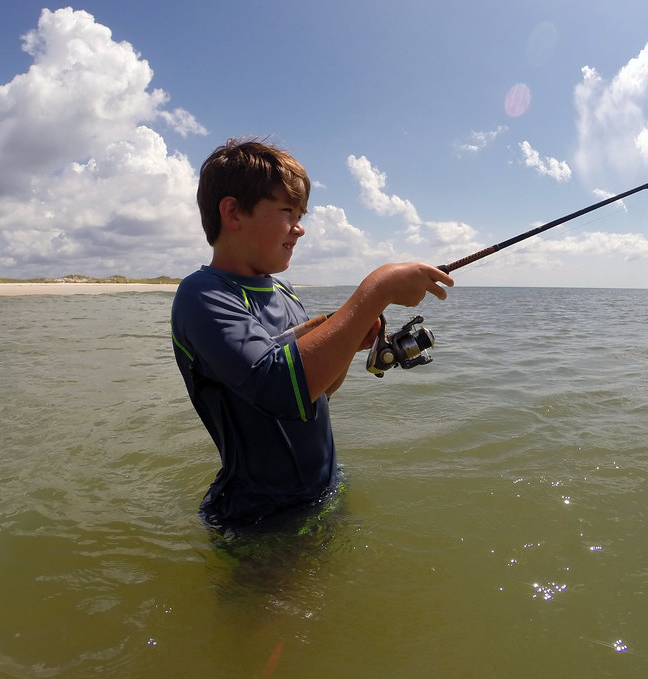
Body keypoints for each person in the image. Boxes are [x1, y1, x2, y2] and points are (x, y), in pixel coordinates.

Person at [171, 139, 452, 531]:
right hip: (259, 517)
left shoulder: (284, 292)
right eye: (288, 211)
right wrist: (378, 289)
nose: (300, 228)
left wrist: (351, 337)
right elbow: (280, 390)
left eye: (301, 214)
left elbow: (318, 391)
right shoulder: (203, 294)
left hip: (323, 490)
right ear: (233, 212)